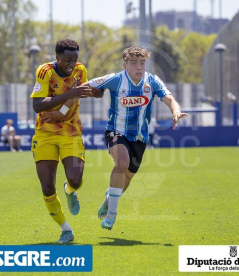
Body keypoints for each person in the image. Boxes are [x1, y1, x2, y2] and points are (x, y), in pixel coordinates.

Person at [88, 47, 187, 230]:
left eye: (142, 63)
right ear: (125, 65)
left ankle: (109, 199)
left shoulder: (152, 81)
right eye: (133, 63)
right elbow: (88, 85)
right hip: (115, 131)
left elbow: (170, 99)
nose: (139, 67)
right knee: (122, 163)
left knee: (125, 182)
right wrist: (67, 102)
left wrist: (176, 111)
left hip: (140, 137)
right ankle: (112, 215)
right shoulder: (116, 79)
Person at [30, 38, 94, 243]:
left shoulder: (80, 71)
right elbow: (38, 105)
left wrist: (62, 112)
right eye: (67, 59)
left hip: (71, 131)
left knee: (76, 179)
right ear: (57, 57)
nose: (71, 64)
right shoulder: (45, 71)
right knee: (47, 186)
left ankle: (69, 191)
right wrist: (70, 93)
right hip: (45, 133)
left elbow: (76, 96)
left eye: (74, 59)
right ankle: (66, 230)